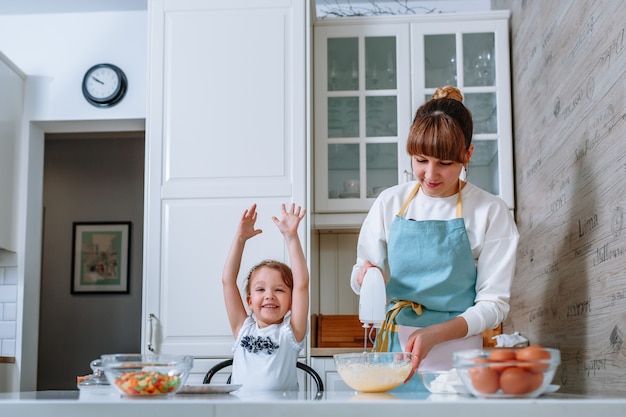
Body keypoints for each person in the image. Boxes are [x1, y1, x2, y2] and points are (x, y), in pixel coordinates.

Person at [350, 85, 519, 391]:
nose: (430, 174)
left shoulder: (490, 211)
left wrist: (435, 334)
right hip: (395, 351)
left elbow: (494, 305)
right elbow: (361, 271)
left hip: (458, 352)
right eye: (420, 160)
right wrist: (366, 276)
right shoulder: (391, 202)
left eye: (445, 163)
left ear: (467, 155)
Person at [223, 203, 309, 392]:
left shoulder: (291, 333)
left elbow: (302, 285)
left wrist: (291, 237)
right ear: (249, 302)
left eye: (279, 290)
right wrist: (240, 239)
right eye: (260, 290)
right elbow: (228, 281)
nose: (269, 295)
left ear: (291, 302)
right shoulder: (242, 329)